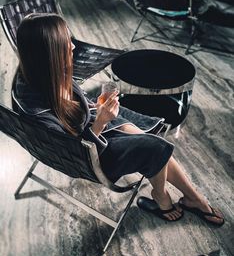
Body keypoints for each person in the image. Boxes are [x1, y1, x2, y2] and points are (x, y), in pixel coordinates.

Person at [12, 13, 224, 225]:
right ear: (48, 53)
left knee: (153, 144)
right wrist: (100, 122)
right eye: (66, 43)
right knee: (156, 148)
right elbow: (72, 148)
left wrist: (95, 107)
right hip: (89, 154)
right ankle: (162, 197)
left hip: (87, 126)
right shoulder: (34, 108)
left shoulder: (39, 73)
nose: (74, 47)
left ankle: (194, 199)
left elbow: (68, 106)